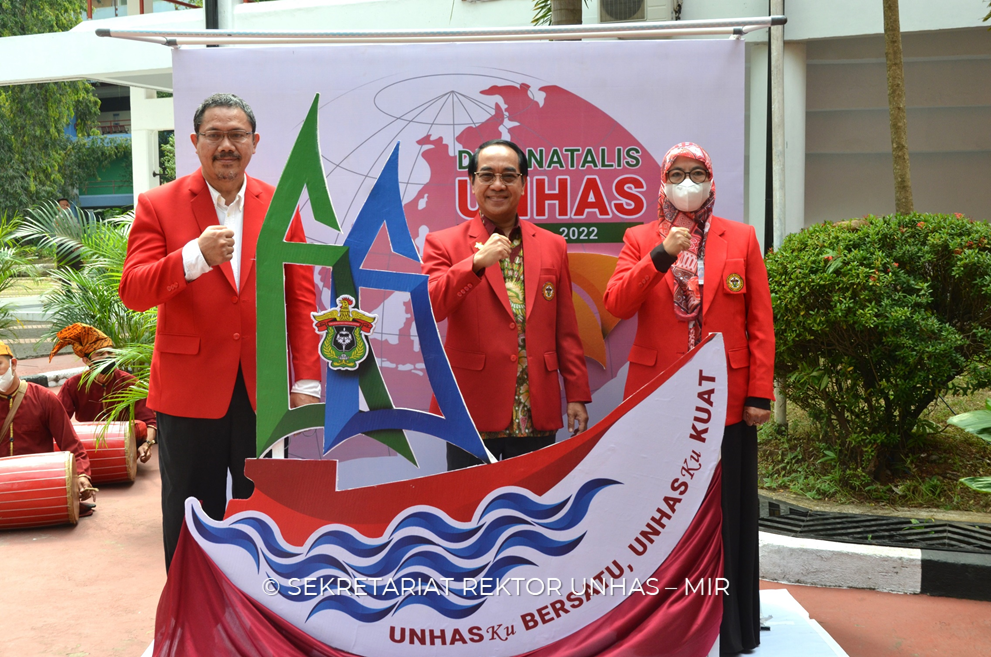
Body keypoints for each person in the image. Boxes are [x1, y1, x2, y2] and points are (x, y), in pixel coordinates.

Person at [119, 93, 322, 571]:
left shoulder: (280, 203)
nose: (226, 145)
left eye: (236, 135)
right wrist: (193, 258)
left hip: (265, 393)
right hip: (188, 392)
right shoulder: (158, 204)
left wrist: (307, 380)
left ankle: (267, 621)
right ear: (194, 142)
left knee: (269, 517)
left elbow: (301, 297)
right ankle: (192, 624)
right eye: (214, 134)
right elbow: (133, 290)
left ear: (254, 143)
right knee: (192, 515)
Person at [603, 142, 774, 655]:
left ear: (711, 179)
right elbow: (616, 303)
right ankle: (662, 618)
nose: (687, 181)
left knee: (726, 509)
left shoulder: (740, 237)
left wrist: (760, 392)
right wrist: (661, 254)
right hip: (658, 398)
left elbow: (759, 322)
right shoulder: (640, 238)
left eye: (696, 172)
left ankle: (731, 624)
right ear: (662, 182)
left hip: (727, 400)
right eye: (676, 172)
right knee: (660, 509)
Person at [421, 139, 591, 470]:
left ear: (523, 183)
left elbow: (566, 329)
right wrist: (474, 265)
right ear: (472, 183)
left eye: (509, 175)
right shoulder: (443, 243)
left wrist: (577, 395)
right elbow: (431, 307)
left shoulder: (553, 245)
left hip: (535, 407)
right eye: (487, 175)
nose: (498, 185)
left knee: (533, 513)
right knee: (467, 513)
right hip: (470, 407)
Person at [0, 340, 94, 501]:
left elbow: (70, 443)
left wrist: (82, 475)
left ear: (13, 364)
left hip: (40, 482)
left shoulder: (44, 398)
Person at [50, 323, 158, 464]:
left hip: (125, 445)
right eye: (100, 354)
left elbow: (149, 422)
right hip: (89, 446)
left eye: (110, 353)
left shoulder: (129, 382)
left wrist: (146, 444)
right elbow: (58, 421)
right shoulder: (73, 385)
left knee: (140, 426)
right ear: (87, 360)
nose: (107, 357)